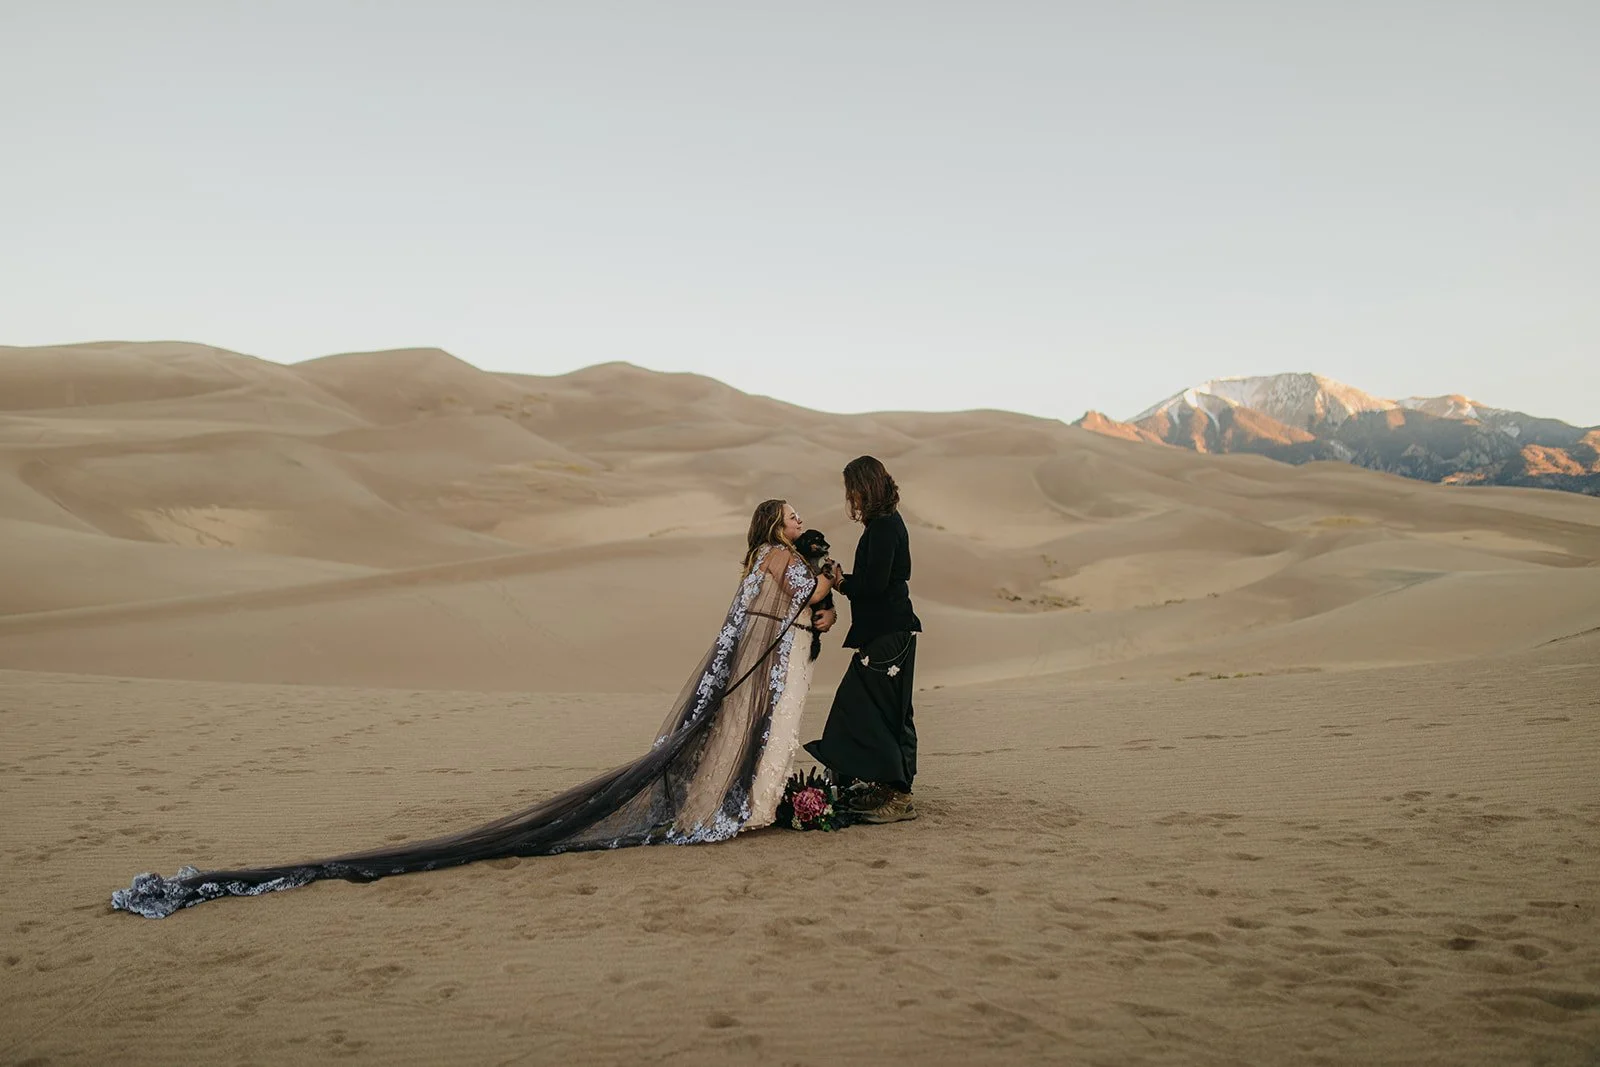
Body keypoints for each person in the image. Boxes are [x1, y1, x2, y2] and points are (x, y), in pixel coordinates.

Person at [112, 500, 835, 918]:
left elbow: (809, 611)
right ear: (770, 526)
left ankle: (751, 804)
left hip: (772, 668)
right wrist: (822, 570)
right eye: (789, 516)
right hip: (767, 668)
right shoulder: (779, 560)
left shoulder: (768, 564)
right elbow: (812, 595)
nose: (798, 521)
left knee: (736, 742)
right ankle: (737, 809)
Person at [804, 456, 922, 824]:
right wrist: (846, 579)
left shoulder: (885, 527)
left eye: (852, 489)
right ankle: (890, 788)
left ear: (864, 487)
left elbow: (873, 586)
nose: (850, 497)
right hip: (886, 632)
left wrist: (840, 582)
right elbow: (879, 579)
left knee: (865, 709)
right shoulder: (883, 525)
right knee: (884, 711)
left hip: (888, 634)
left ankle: (898, 795)